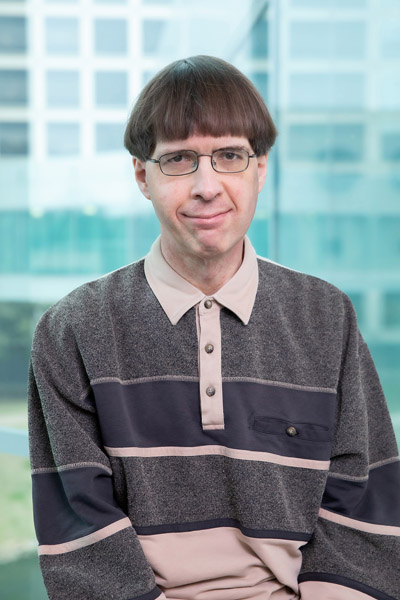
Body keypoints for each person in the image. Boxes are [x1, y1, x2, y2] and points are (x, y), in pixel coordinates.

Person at [28, 55, 400, 600]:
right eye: (179, 160)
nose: (207, 186)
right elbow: (81, 537)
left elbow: (363, 506)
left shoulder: (327, 317)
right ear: (142, 176)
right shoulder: (72, 331)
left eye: (229, 155)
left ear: (261, 168)